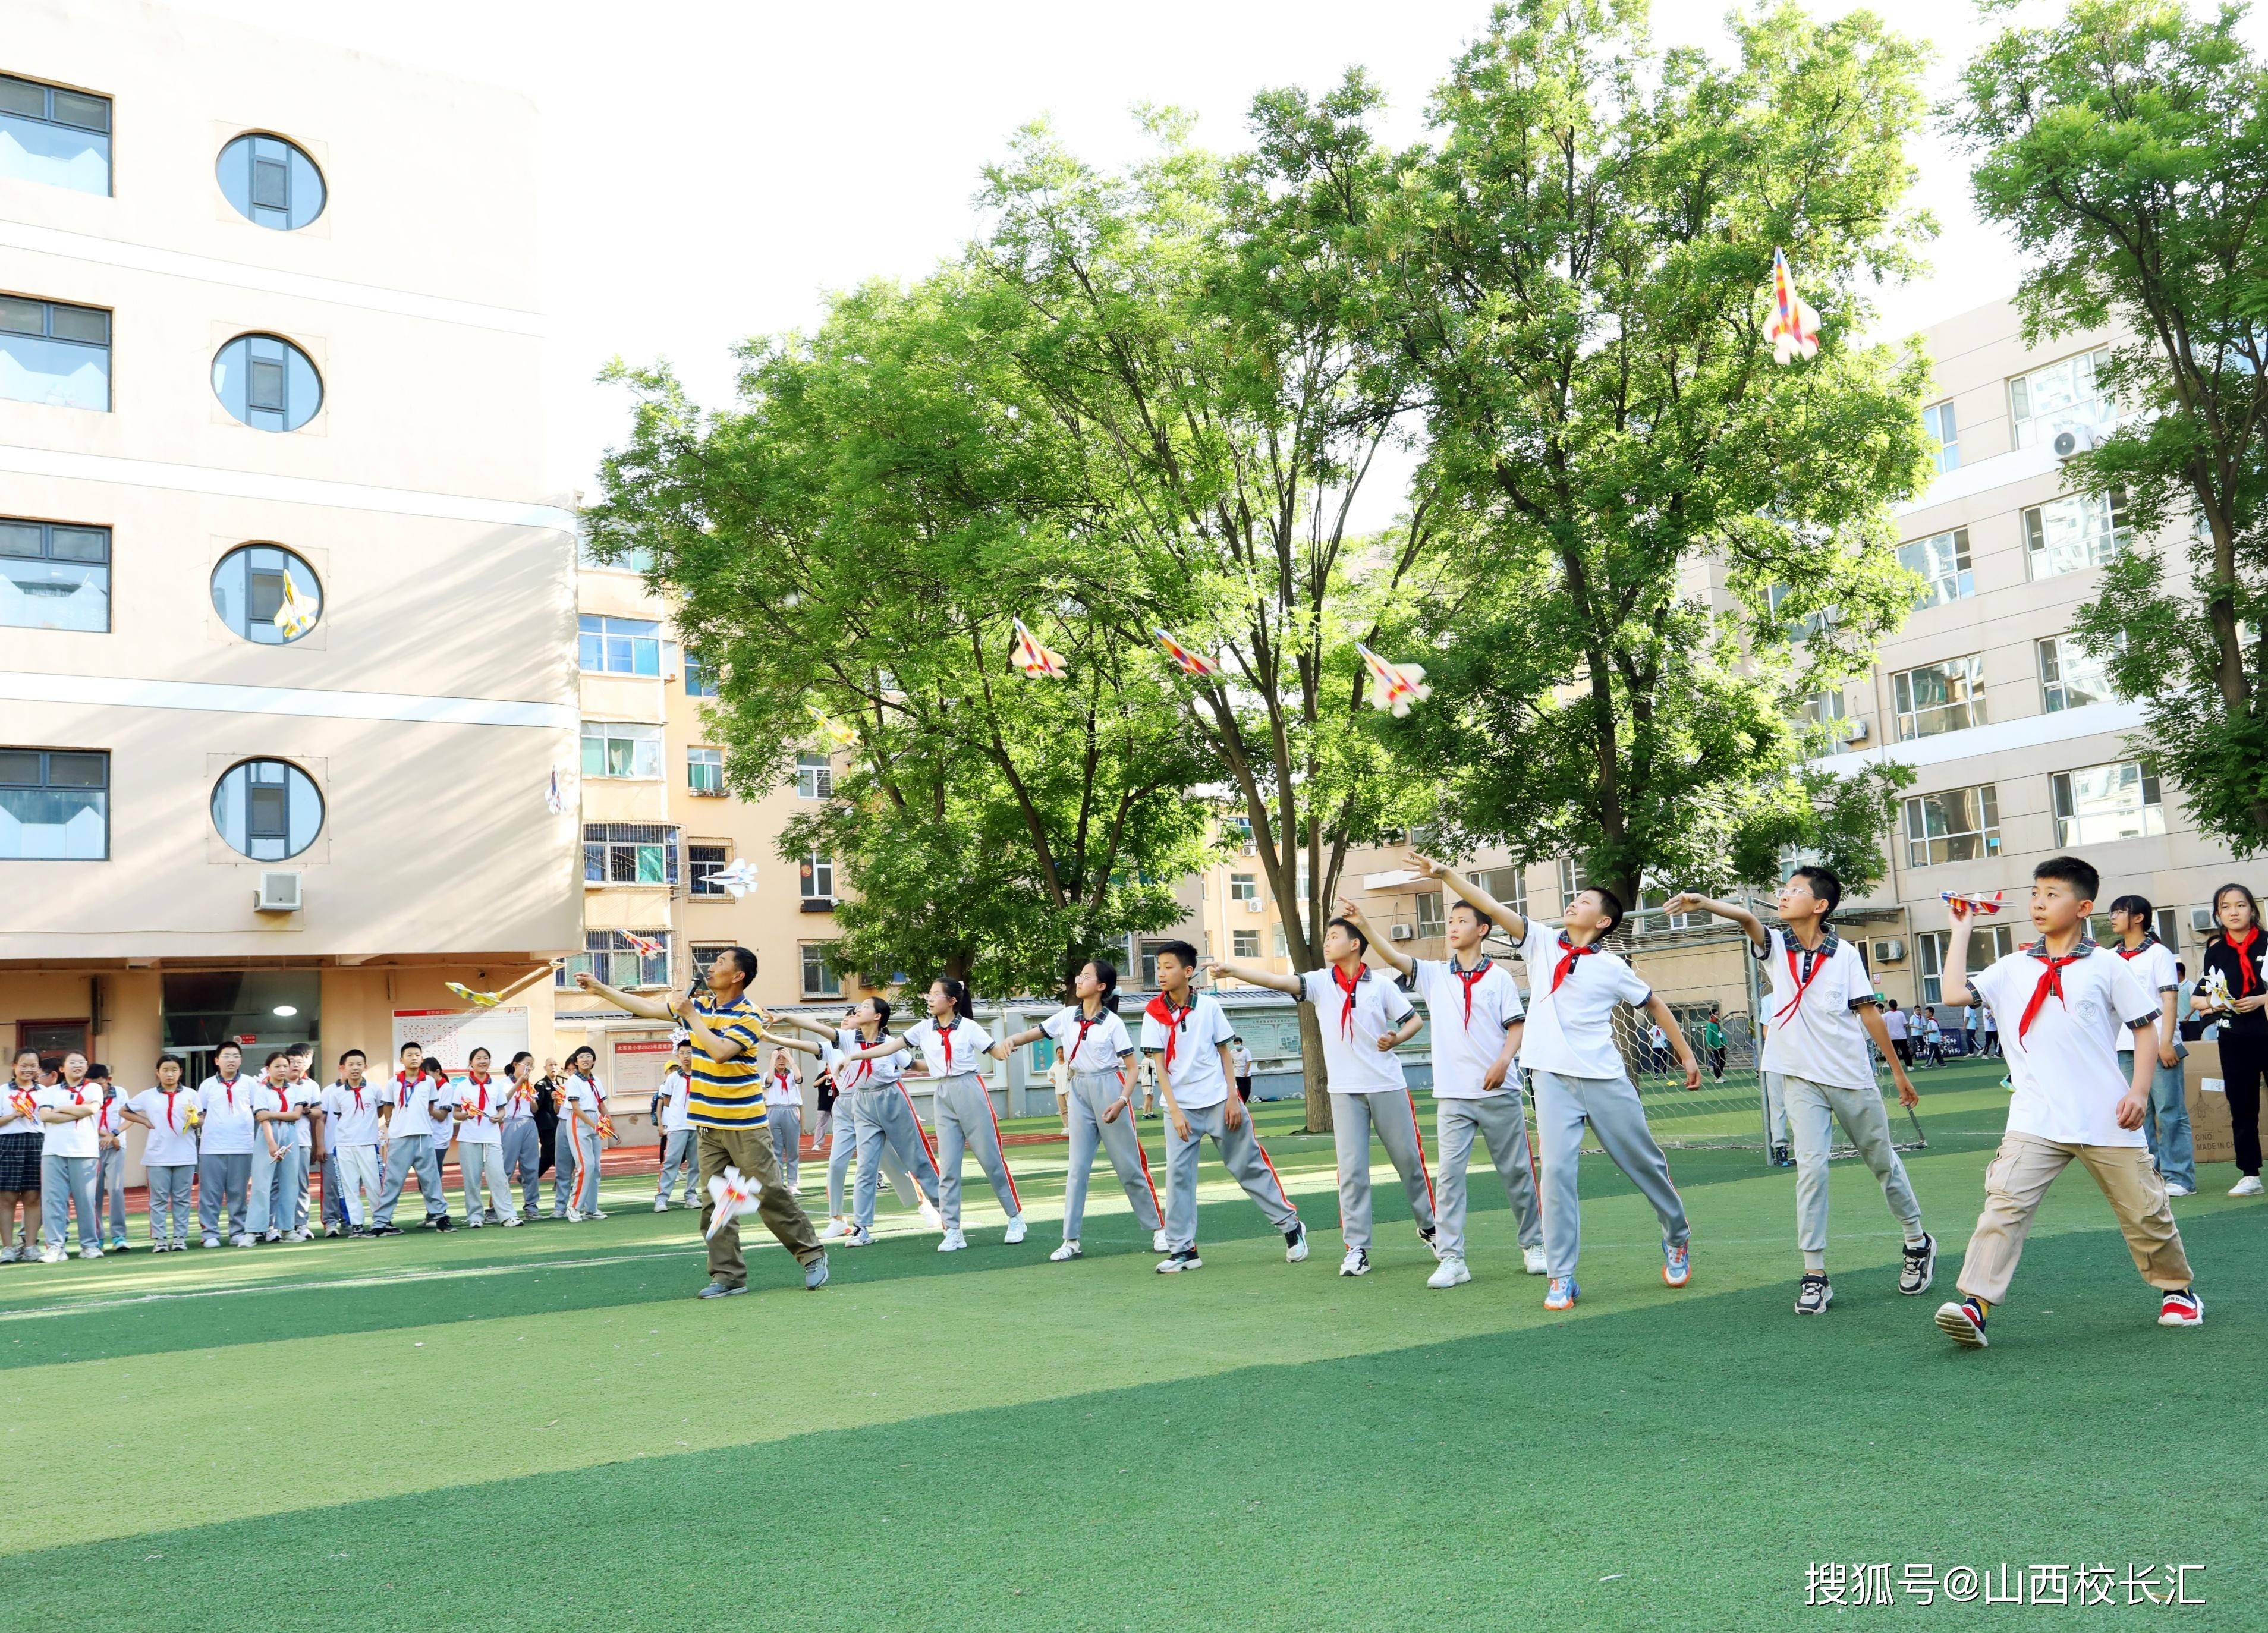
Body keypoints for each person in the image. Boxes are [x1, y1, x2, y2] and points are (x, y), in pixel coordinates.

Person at [1933, 856, 2201, 1347]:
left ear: (2083, 906)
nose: (2038, 901)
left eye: (2052, 893)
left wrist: (2138, 1092)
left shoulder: (2107, 966)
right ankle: (1976, 1304)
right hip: (2034, 1117)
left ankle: (2177, 1290)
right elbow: (1952, 993)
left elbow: (2144, 1028)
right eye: (2035, 891)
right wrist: (1961, 928)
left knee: (2145, 1211)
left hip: (2106, 1115)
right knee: (2004, 1204)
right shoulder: (2010, 967)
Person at [1670, 874, 1933, 1316]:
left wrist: (1898, 1071)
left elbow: (1868, 1013)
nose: (1785, 894)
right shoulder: (1776, 944)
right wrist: (1706, 903)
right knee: (1811, 1169)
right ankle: (1814, 1272)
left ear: (1820, 904)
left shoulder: (1846, 954)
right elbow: (1747, 917)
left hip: (1849, 1076)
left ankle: (1916, 1240)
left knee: (1881, 1160)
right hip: (1798, 1076)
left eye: (1796, 889)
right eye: (1784, 889)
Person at [1481, 871, 1694, 1311]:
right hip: (1550, 1080)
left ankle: (1676, 1235)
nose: (1573, 903)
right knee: (1556, 1174)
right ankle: (1561, 1276)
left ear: (1602, 922)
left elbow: (1653, 1004)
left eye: (1583, 901)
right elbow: (1497, 911)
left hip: (1603, 1079)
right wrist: (1447, 875)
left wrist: (1686, 1055)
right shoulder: (1540, 941)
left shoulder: (1611, 966)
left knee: (1645, 1164)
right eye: (1573, 898)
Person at [575, 946, 829, 1296]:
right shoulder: (702, 1006)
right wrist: (600, 988)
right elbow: (647, 1008)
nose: (712, 967)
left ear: (738, 976)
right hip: (708, 1126)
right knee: (715, 1203)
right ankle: (727, 1275)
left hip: (745, 1125)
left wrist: (690, 1016)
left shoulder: (749, 1015)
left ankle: (811, 1254)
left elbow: (721, 1052)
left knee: (769, 1192)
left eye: (721, 962)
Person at [1353, 874, 1545, 1287]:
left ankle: (1533, 1244)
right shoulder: (1433, 974)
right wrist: (1366, 926)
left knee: (1516, 1173)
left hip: (1500, 1091)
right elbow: (1393, 955)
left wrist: (1503, 1061)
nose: (1452, 927)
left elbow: (1516, 1027)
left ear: (1483, 929)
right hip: (1452, 1097)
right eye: (1449, 920)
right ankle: (1453, 1257)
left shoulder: (1500, 979)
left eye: (1461, 920)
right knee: (1449, 1178)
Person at [1143, 940, 1306, 1273]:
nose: (1161, 972)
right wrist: (1174, 1111)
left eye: (1169, 966)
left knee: (1247, 1167)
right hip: (1181, 1110)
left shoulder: (1209, 1008)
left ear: (1189, 972)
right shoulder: (1153, 1013)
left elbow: (1225, 1054)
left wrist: (1234, 1098)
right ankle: (1184, 1250)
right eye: (1158, 967)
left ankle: (1291, 1227)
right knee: (1178, 1178)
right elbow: (1160, 1067)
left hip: (1220, 1101)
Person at [993, 959, 1165, 1261]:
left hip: (1110, 1088)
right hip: (1079, 1090)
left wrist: (1122, 1101)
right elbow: (1034, 1033)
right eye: (1079, 975)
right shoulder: (1066, 1016)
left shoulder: (1113, 1023)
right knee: (1077, 1170)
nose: (1078, 979)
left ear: (1101, 987)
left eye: (1086, 976)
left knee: (1129, 1166)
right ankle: (1070, 1240)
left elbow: (1131, 1067)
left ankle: (1158, 1229)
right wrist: (1010, 1040)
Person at [842, 979, 1026, 1252]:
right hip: (942, 1093)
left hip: (969, 1089)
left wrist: (1008, 1046)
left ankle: (1015, 1218)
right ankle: (952, 1230)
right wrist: (854, 1057)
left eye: (936, 995)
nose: (929, 998)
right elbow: (890, 1048)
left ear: (952, 1001)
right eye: (929, 994)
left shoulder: (969, 1027)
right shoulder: (923, 1028)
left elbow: (996, 1052)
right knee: (949, 1167)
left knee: (991, 1159)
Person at [779, 1000, 943, 1248]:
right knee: (865, 1167)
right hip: (862, 1102)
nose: (857, 1010)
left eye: (865, 1007)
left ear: (877, 1016)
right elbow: (813, 1026)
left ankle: (947, 1216)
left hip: (891, 1098)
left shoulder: (891, 1044)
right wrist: (784, 1017)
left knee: (915, 1160)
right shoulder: (845, 1039)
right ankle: (862, 1228)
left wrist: (944, 1066)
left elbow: (913, 1065)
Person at [2106, 894, 2192, 1198]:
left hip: (2158, 1043)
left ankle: (2180, 1177)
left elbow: (2169, 999)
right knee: (2134, 1114)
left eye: (2119, 912)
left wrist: (2167, 1041)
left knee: (2170, 1112)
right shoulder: (2110, 956)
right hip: (2124, 1045)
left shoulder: (2159, 953)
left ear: (2139, 917)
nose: (2113, 918)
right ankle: (2148, 1176)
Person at [2194, 881, 2267, 1197]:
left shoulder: (2266, 943)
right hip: (2234, 1036)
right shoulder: (2216, 952)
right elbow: (2199, 998)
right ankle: (2250, 1173)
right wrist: (2217, 1004)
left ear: (2252, 909)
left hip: (2265, 1029)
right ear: (2218, 915)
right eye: (2226, 907)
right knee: (2242, 1105)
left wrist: (2262, 999)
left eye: (2240, 905)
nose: (2233, 912)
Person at [372, 1042, 451, 1236]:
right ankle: (381, 1221)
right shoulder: (394, 1082)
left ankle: (440, 1217)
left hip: (424, 1136)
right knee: (393, 1180)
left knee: (431, 1179)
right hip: (400, 1138)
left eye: (417, 1054)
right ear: (401, 1059)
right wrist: (392, 1123)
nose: (414, 1057)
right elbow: (388, 1106)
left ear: (422, 1058)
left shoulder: (429, 1082)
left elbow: (431, 1107)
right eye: (409, 1055)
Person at [122, 1055, 198, 1250]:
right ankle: (160, 1239)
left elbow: (202, 1118)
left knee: (182, 1198)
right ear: (158, 1073)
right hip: (157, 1155)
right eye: (165, 1070)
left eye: (174, 1070)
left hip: (185, 1154)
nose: (170, 1074)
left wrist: (196, 1121)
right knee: (159, 1199)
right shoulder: (148, 1096)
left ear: (181, 1072)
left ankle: (180, 1238)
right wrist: (145, 1121)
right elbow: (124, 1111)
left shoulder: (191, 1094)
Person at [34, 1050, 102, 1261]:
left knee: (86, 1201)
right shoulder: (49, 1091)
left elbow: (92, 1110)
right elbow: (45, 1116)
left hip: (85, 1151)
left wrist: (62, 1110)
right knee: (53, 1201)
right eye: (73, 1062)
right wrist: (76, 1111)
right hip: (54, 1151)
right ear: (62, 1069)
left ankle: (89, 1245)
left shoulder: (94, 1087)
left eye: (82, 1062)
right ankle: (55, 1246)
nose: (78, 1066)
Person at [448, 1047, 520, 1228]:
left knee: (499, 1177)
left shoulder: (496, 1085)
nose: (483, 1061)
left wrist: (500, 1115)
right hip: (469, 1138)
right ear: (471, 1062)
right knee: (472, 1180)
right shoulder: (462, 1086)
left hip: (492, 1137)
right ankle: (475, 1217)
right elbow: (456, 1112)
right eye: (478, 1058)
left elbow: (502, 1108)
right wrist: (465, 1116)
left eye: (486, 1058)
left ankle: (507, 1215)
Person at [194, 1043, 257, 1248]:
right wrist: (192, 1121)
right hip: (212, 1147)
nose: (231, 1060)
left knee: (238, 1193)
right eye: (227, 1056)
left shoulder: (250, 1083)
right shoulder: (207, 1085)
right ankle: (210, 1233)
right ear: (217, 1060)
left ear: (241, 1060)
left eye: (236, 1056)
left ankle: (237, 1231)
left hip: (243, 1146)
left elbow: (259, 1112)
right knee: (210, 1193)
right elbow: (200, 1114)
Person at [323, 1049, 383, 1236]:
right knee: (349, 1187)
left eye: (359, 1064)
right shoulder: (337, 1094)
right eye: (351, 1065)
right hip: (344, 1145)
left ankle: (380, 1223)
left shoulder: (374, 1089)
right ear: (344, 1068)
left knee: (374, 1185)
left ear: (365, 1066)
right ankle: (357, 1225)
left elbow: (380, 1112)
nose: (355, 1068)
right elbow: (340, 1116)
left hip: (368, 1143)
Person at [246, 1049, 303, 1245]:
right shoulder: (261, 1091)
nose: (282, 1070)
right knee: (262, 1184)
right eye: (277, 1066)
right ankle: (254, 1231)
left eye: (285, 1066)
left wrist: (271, 1114)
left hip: (290, 1134)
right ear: (268, 1068)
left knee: (289, 1183)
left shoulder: (296, 1090)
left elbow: (296, 1115)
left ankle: (287, 1229)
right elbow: (262, 1119)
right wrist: (271, 1143)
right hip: (267, 1136)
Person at [551, 1046, 608, 1222]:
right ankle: (574, 1207)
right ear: (576, 1062)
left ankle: (591, 1209)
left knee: (596, 1167)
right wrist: (595, 1125)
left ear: (594, 1060)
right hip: (579, 1121)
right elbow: (576, 1108)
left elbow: (602, 1106)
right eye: (581, 1057)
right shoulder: (573, 1081)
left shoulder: (596, 1080)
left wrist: (611, 1126)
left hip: (594, 1120)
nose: (585, 1059)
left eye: (589, 1056)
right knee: (586, 1165)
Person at [0, 1047, 43, 1263]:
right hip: (8, 1143)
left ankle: (30, 1247)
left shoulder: (46, 1092)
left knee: (33, 1196)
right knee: (7, 1198)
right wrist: (12, 1116)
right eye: (23, 1065)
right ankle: (7, 1248)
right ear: (14, 1066)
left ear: (38, 1068)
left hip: (37, 1143)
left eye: (33, 1066)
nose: (28, 1069)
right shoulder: (2, 1092)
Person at [498, 1052, 543, 1220]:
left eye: (532, 1065)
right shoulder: (503, 1083)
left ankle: (531, 1207)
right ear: (515, 1064)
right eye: (526, 1064)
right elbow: (503, 1101)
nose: (529, 1068)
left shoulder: (529, 1085)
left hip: (529, 1124)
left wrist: (532, 1099)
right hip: (510, 1124)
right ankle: (498, 1208)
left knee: (531, 1168)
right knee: (506, 1168)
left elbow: (535, 1109)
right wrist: (519, 1083)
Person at [653, 1041, 699, 1212]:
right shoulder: (672, 1078)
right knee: (671, 1161)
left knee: (696, 1163)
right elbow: (667, 1101)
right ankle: (662, 1198)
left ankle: (691, 1196)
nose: (686, 1056)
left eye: (689, 1053)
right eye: (683, 1053)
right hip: (678, 1125)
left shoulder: (701, 1075)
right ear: (677, 1055)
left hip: (697, 1124)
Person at [91, 1065, 130, 1252]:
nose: (97, 1088)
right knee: (94, 1194)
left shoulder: (121, 1093)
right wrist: (104, 1135)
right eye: (93, 1084)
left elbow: (130, 1117)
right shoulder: (87, 1093)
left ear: (109, 1080)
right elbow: (85, 1119)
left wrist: (114, 1135)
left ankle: (119, 1236)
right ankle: (97, 1237)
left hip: (116, 1147)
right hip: (92, 1147)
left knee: (116, 1191)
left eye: (100, 1084)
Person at [763, 1047, 805, 1194]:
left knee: (793, 1149)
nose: (781, 1061)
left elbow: (799, 1078)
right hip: (774, 1111)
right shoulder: (768, 1074)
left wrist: (790, 1058)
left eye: (784, 1058)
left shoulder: (792, 1074)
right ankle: (779, 1183)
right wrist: (772, 1058)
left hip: (791, 1110)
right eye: (778, 1058)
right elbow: (769, 1081)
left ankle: (793, 1183)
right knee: (776, 1150)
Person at [1700, 1009, 1728, 1083]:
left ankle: (1719, 1075)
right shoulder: (1710, 1024)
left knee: (1723, 1061)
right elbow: (1709, 1035)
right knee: (1717, 1062)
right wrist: (1709, 1045)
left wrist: (1724, 1043)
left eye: (1718, 1014)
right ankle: (1718, 1077)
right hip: (1715, 1046)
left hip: (1720, 1045)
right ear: (1712, 1016)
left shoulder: (1717, 1024)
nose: (1718, 1015)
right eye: (1716, 1014)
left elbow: (1721, 1034)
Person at [1881, 1000, 1911, 1068]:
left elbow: (1884, 1025)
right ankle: (1909, 1066)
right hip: (1902, 1036)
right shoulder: (1901, 1013)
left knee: (1894, 1053)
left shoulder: (1886, 1015)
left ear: (1890, 1006)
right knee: (1905, 1051)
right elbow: (1905, 1024)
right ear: (1897, 1005)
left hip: (1892, 1037)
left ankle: (1894, 1067)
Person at [1230, 1036, 1256, 1103]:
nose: (1236, 1045)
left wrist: (1246, 1072)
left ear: (1241, 1043)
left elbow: (1248, 1061)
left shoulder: (1246, 1051)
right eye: (1235, 1044)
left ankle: (1243, 1102)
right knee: (1241, 1090)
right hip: (1237, 1073)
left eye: (1237, 1043)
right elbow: (1231, 1062)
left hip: (1246, 1073)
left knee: (1247, 1090)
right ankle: (1242, 1104)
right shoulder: (1232, 1052)